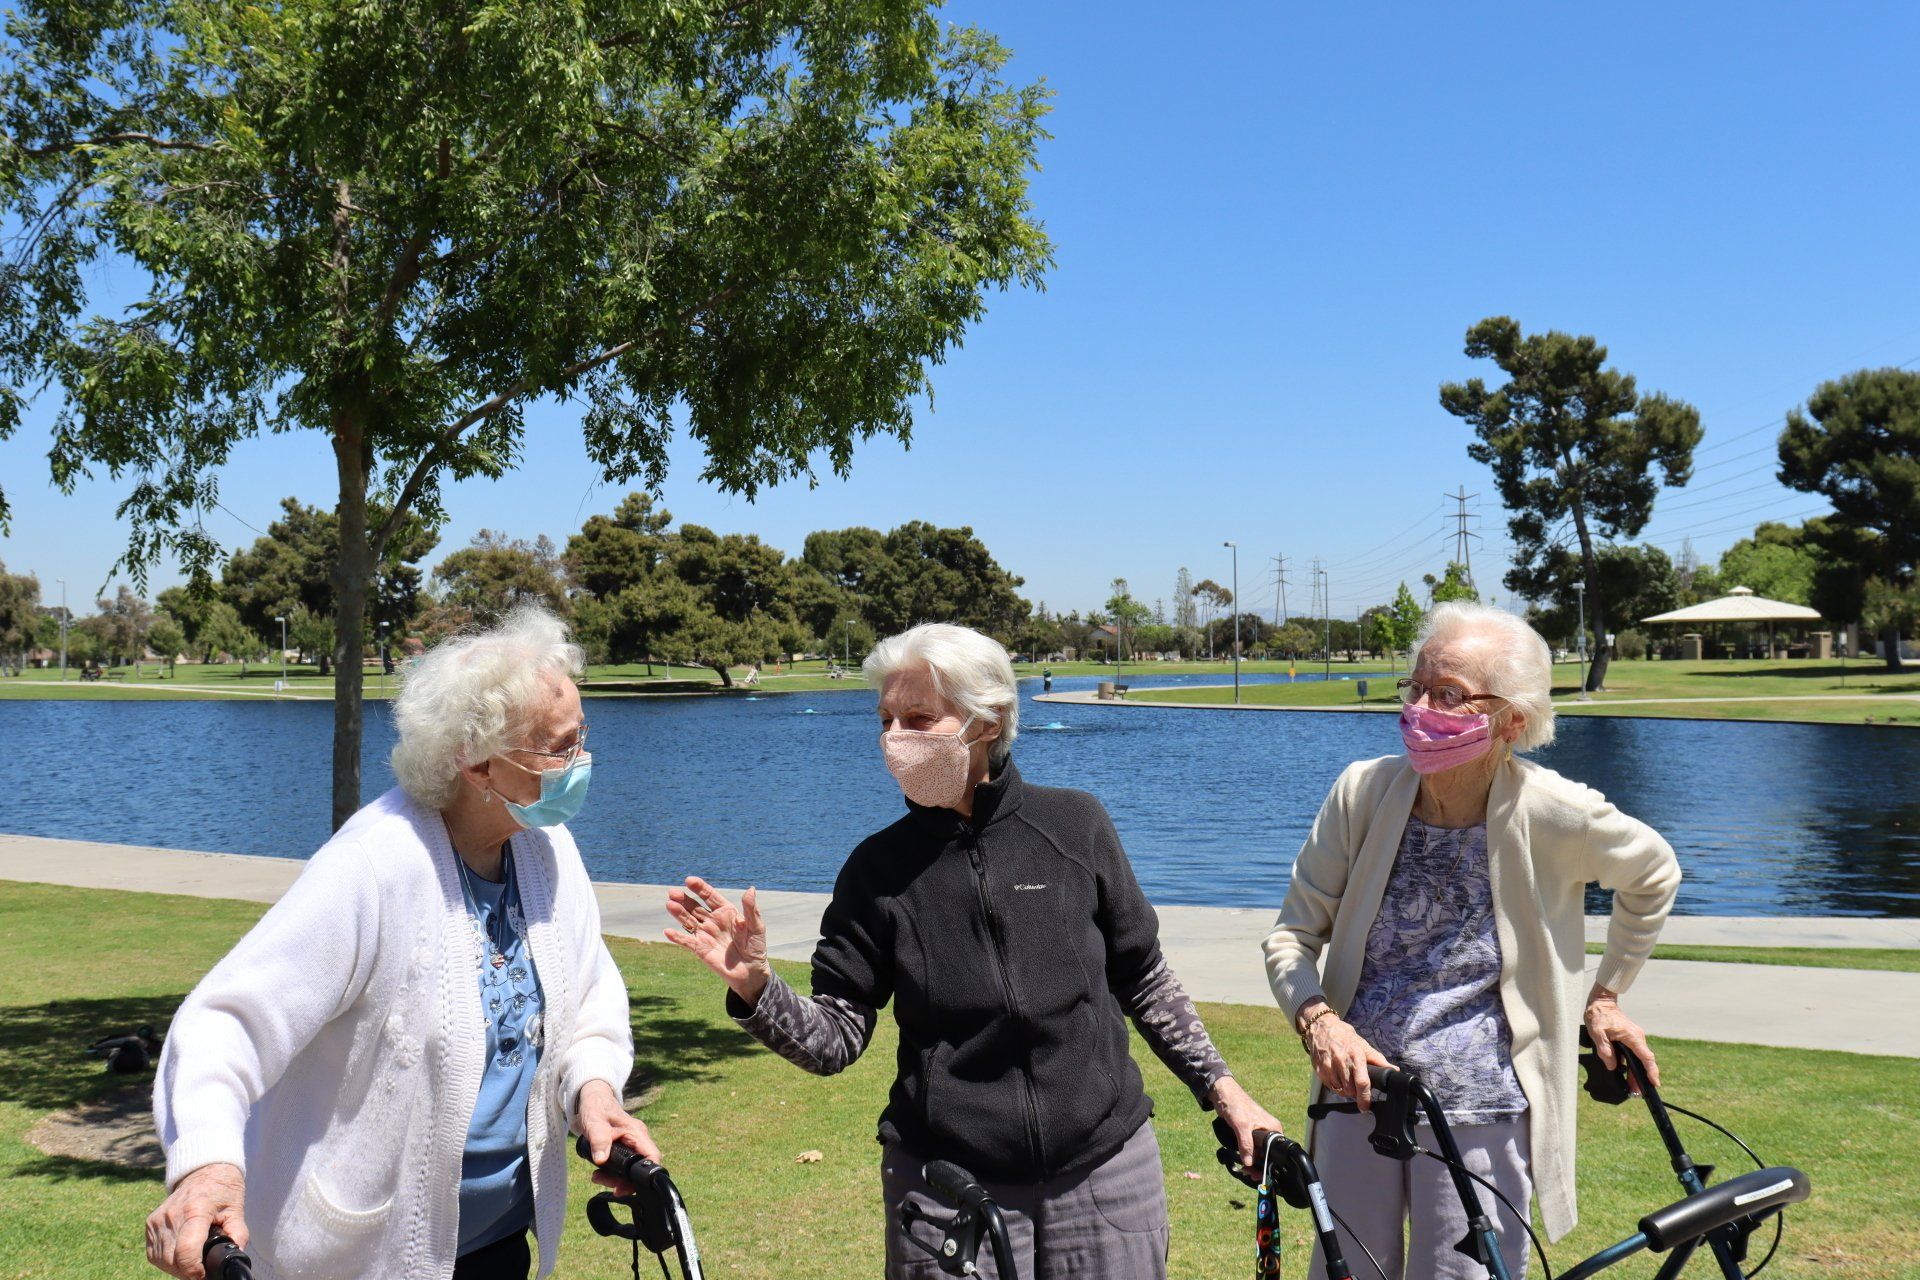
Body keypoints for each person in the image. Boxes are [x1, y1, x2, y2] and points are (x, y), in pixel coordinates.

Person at [665, 622, 1283, 1280]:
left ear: (986, 721)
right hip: (947, 1192)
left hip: (1104, 1174)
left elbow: (1146, 980)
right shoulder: (875, 871)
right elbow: (835, 1039)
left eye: (918, 717)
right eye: (885, 720)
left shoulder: (1076, 825)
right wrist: (759, 989)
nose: (893, 739)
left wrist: (1228, 1095)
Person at [146, 606, 649, 1280]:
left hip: (496, 1244)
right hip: (362, 1259)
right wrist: (207, 1164)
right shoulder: (374, 866)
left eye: (580, 736)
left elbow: (587, 994)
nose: (579, 761)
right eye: (556, 747)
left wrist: (594, 1092)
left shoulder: (546, 848)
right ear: (477, 766)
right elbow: (224, 1023)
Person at [1263, 602, 1682, 1279]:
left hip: (1483, 1110)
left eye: (1451, 695)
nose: (1422, 708)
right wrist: (1318, 1022)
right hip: (1356, 1097)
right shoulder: (1360, 794)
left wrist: (1605, 997)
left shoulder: (1558, 812)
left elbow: (1655, 873)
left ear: (1512, 720)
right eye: (1417, 687)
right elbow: (1291, 937)